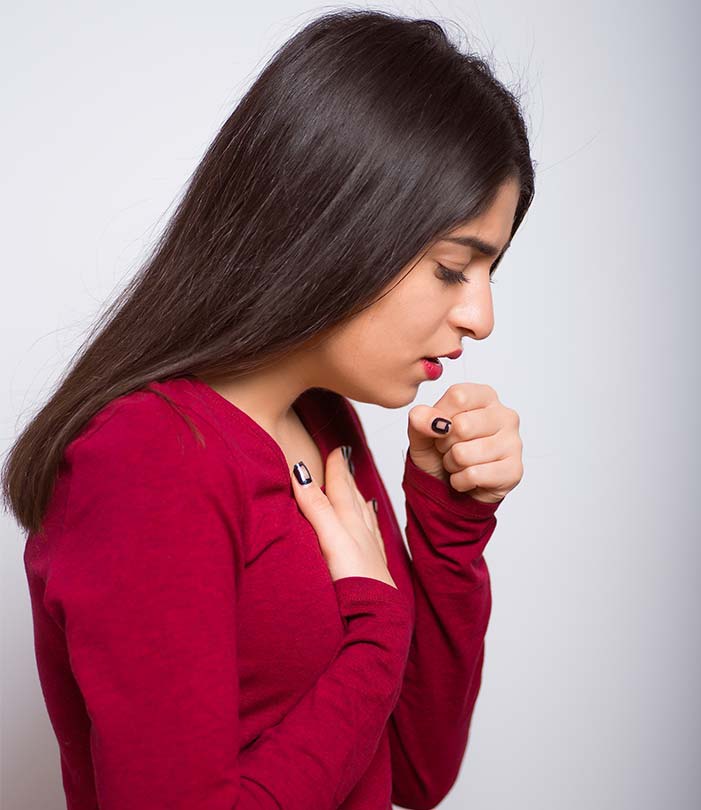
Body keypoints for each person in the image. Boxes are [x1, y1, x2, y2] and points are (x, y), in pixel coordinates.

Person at [3, 9, 534, 809]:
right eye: (454, 269)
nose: (481, 317)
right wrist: (376, 632)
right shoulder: (148, 460)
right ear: (335, 226)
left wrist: (450, 522)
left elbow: (418, 768)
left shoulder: (322, 424)